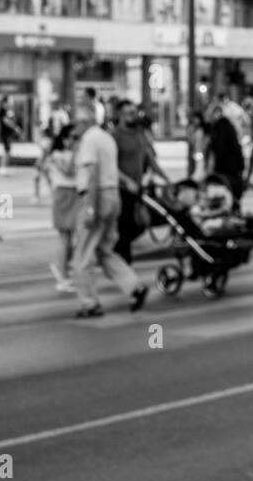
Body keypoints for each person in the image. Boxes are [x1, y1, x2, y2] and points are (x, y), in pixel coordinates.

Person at [70, 106, 149, 318]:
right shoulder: (106, 138)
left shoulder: (89, 140)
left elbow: (93, 174)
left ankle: (89, 303)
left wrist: (89, 206)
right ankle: (134, 286)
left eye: (76, 124)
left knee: (83, 255)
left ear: (85, 123)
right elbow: (113, 171)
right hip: (113, 196)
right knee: (105, 251)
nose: (74, 128)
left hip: (96, 197)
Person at [111, 100, 169, 264]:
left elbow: (150, 160)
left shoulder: (140, 134)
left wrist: (166, 179)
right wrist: (126, 181)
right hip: (121, 190)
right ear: (120, 116)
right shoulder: (115, 136)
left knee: (139, 225)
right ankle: (124, 266)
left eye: (134, 112)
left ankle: (117, 254)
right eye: (129, 113)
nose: (133, 116)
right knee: (125, 228)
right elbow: (111, 166)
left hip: (137, 189)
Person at [43, 124, 79, 292]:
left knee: (73, 239)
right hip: (64, 194)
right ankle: (62, 277)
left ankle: (61, 267)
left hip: (75, 194)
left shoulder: (71, 153)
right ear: (64, 139)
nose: (76, 141)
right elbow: (68, 171)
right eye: (73, 137)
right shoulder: (58, 154)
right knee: (65, 238)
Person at [205, 100, 245, 199]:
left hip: (225, 167)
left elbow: (218, 149)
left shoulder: (220, 126)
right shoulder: (227, 125)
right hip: (233, 167)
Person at [0, 96, 19, 175]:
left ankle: (4, 167)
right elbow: (5, 121)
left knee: (7, 150)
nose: (9, 104)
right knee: (6, 150)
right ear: (4, 103)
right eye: (8, 102)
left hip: (7, 133)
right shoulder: (2, 111)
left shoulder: (5, 111)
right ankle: (2, 168)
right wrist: (15, 127)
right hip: (5, 134)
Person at [186, 111, 209, 183]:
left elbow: (206, 141)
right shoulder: (193, 129)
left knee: (200, 170)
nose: (195, 120)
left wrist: (204, 150)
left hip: (201, 152)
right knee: (196, 169)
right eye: (194, 119)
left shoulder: (203, 129)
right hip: (196, 152)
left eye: (197, 118)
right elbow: (191, 141)